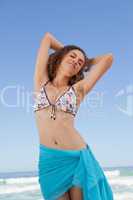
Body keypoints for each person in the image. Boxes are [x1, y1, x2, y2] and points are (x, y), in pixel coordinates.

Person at [33, 32, 114, 200]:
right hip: (50, 161)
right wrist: (67, 51)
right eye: (72, 56)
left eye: (79, 62)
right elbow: (47, 38)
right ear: (61, 57)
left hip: (77, 159)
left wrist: (86, 63)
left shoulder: (78, 90)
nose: (76, 61)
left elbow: (108, 58)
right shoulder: (41, 81)